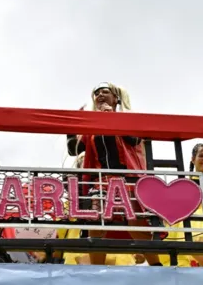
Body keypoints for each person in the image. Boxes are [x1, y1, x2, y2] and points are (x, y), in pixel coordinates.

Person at [66, 82, 163, 266]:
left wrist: (111, 117)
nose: (100, 95)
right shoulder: (92, 127)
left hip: (127, 179)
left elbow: (134, 139)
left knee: (136, 222)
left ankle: (156, 265)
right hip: (101, 181)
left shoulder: (128, 120)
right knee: (97, 223)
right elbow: (74, 149)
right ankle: (96, 267)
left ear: (116, 99)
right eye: (96, 94)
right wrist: (72, 125)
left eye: (105, 92)